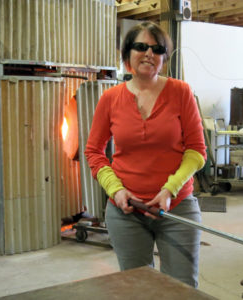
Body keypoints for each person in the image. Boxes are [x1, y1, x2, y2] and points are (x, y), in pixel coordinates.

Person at [85, 21, 207, 288]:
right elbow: (94, 151)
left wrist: (170, 190)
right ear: (128, 53)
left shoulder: (181, 92)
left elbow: (197, 151)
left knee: (182, 289)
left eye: (157, 48)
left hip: (176, 209)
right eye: (141, 46)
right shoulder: (110, 99)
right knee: (137, 289)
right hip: (126, 212)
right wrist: (116, 190)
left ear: (164, 57)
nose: (149, 53)